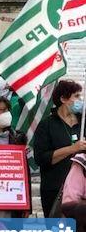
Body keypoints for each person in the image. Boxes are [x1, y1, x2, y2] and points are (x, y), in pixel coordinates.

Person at [34, 80, 85, 217]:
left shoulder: (83, 123)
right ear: (63, 99)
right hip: (54, 189)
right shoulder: (47, 125)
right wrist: (72, 149)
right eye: (76, 96)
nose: (81, 100)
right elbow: (41, 158)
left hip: (80, 191)